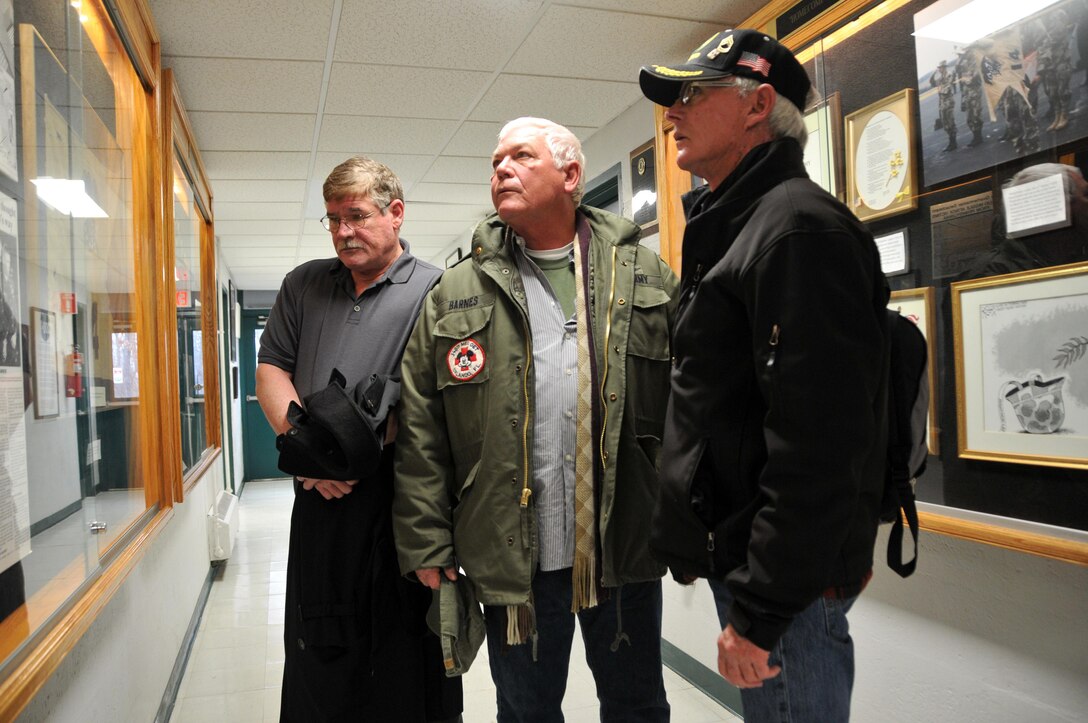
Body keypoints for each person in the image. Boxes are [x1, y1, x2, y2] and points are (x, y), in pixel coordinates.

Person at [639, 30, 890, 721]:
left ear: (759, 106)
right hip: (762, 571)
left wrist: (760, 609)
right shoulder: (742, 225)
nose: (671, 113)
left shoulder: (795, 231)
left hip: (784, 590)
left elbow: (818, 445)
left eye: (692, 95)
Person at [393, 117, 677, 722]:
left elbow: (688, 407)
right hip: (513, 554)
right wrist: (426, 540)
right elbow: (421, 428)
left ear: (571, 175)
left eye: (520, 156)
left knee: (637, 704)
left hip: (618, 543)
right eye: (496, 161)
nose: (501, 169)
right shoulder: (457, 293)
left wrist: (693, 522)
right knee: (524, 709)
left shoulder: (644, 275)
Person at [256, 156, 461, 722]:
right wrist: (312, 452)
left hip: (401, 499)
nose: (344, 231)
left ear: (396, 214)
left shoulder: (437, 290)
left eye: (357, 215)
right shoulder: (304, 284)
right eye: (333, 219)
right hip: (317, 495)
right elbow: (272, 366)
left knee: (401, 652)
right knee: (318, 645)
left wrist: (350, 450)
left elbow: (438, 405)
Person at [931, 59, 959, 151]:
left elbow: (946, 89)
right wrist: (933, 74)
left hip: (948, 101)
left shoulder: (949, 74)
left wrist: (940, 88)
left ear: (944, 67)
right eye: (938, 68)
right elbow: (932, 83)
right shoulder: (940, 77)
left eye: (941, 68)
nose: (940, 69)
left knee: (950, 121)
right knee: (945, 122)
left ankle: (953, 142)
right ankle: (951, 142)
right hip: (942, 102)